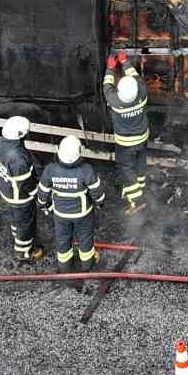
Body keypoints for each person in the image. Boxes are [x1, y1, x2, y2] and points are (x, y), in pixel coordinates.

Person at [37, 135, 106, 271]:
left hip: (60, 215)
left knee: (62, 239)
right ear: (79, 152)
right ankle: (87, 265)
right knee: (85, 239)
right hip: (83, 215)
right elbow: (97, 194)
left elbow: (42, 194)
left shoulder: (50, 170)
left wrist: (44, 206)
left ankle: (64, 267)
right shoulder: (86, 170)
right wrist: (100, 203)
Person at [103, 50, 149, 214]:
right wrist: (125, 62)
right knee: (140, 163)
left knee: (125, 169)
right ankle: (141, 186)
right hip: (142, 137)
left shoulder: (115, 100)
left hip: (125, 143)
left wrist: (110, 68)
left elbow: (107, 86)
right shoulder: (142, 93)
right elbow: (136, 77)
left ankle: (136, 200)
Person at [0, 116, 44, 262]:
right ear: (21, 134)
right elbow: (26, 184)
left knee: (16, 221)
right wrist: (39, 196)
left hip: (6, 189)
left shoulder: (1, 143)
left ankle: (19, 239)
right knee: (25, 223)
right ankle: (24, 252)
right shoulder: (17, 158)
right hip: (20, 197)